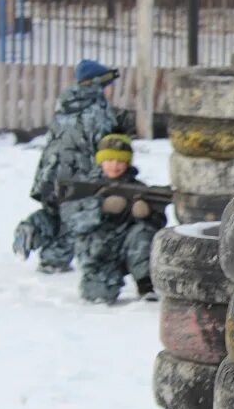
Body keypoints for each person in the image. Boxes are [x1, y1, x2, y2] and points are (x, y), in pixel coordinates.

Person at [13, 60, 126, 272]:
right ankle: (53, 260)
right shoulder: (98, 109)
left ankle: (34, 227)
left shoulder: (66, 103)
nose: (110, 91)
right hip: (78, 175)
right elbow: (105, 147)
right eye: (107, 86)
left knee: (53, 212)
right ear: (96, 84)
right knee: (75, 220)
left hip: (50, 173)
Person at [60, 133, 165, 304]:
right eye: (109, 160)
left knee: (142, 232)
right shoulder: (86, 187)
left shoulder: (138, 188)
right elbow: (72, 222)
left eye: (120, 161)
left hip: (129, 250)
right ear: (100, 161)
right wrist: (100, 208)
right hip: (98, 252)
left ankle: (145, 284)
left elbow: (158, 226)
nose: (114, 166)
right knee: (98, 295)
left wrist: (147, 214)